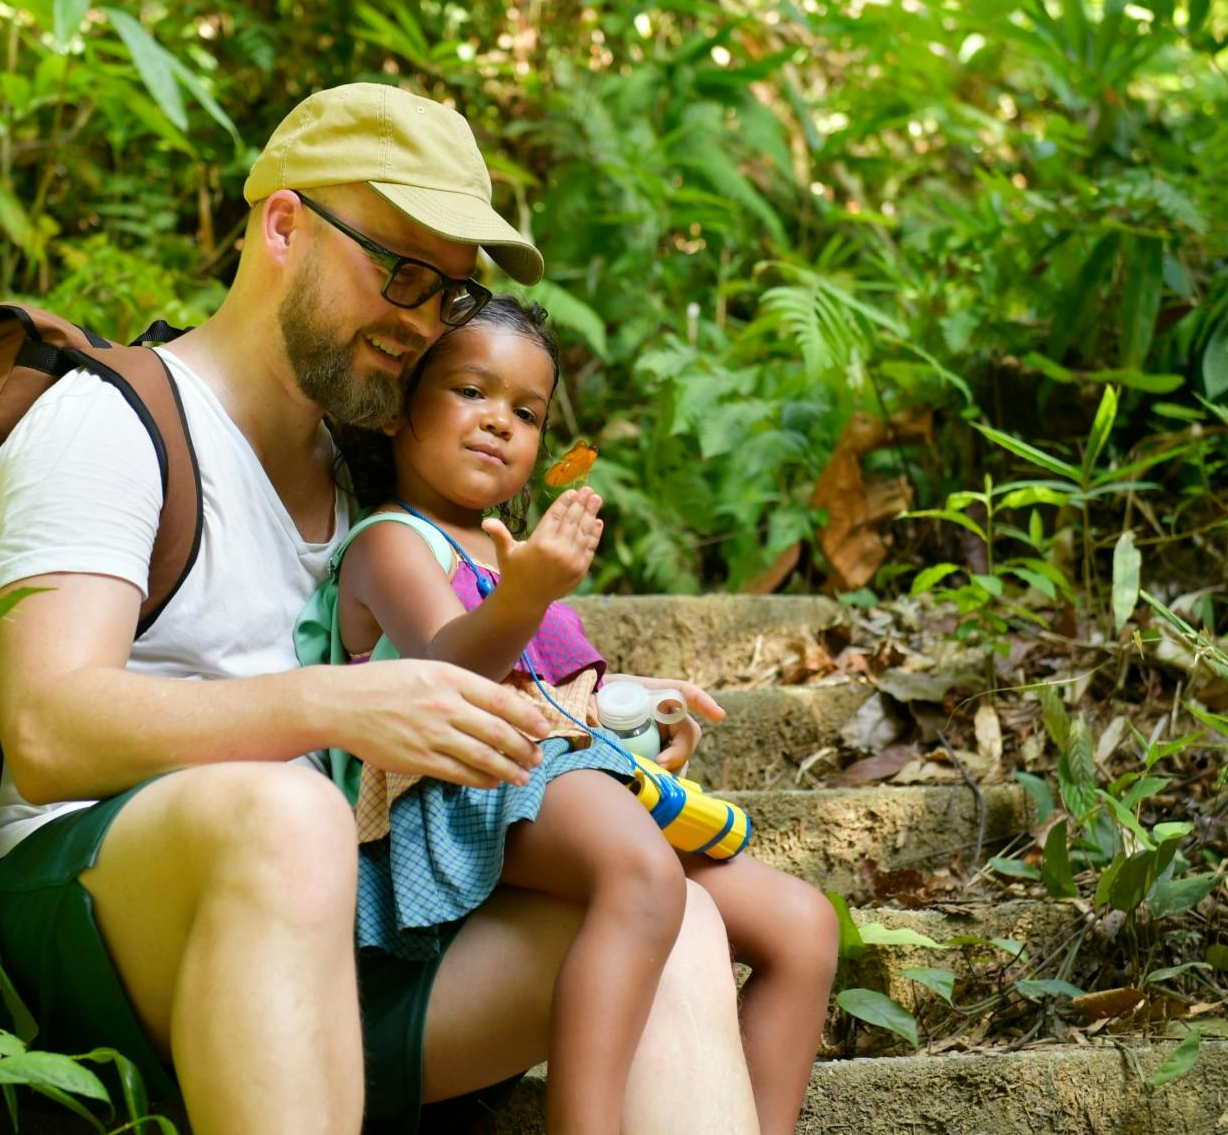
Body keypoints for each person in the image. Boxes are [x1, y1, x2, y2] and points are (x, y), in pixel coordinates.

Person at [0, 83, 763, 1134]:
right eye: (400, 271)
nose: (420, 322)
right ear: (282, 224)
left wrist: (590, 725)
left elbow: (431, 685)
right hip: (94, 909)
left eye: (449, 295)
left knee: (670, 917)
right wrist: (339, 703)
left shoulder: (369, 470)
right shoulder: (110, 425)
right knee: (288, 814)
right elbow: (51, 730)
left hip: (337, 930)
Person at [312, 297, 840, 1135]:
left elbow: (551, 688)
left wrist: (637, 697)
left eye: (526, 412)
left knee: (802, 925)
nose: (498, 422)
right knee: (641, 875)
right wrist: (527, 591)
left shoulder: (507, 553)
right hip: (462, 788)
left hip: (543, 775)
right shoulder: (389, 541)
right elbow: (449, 670)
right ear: (394, 411)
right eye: (469, 391)